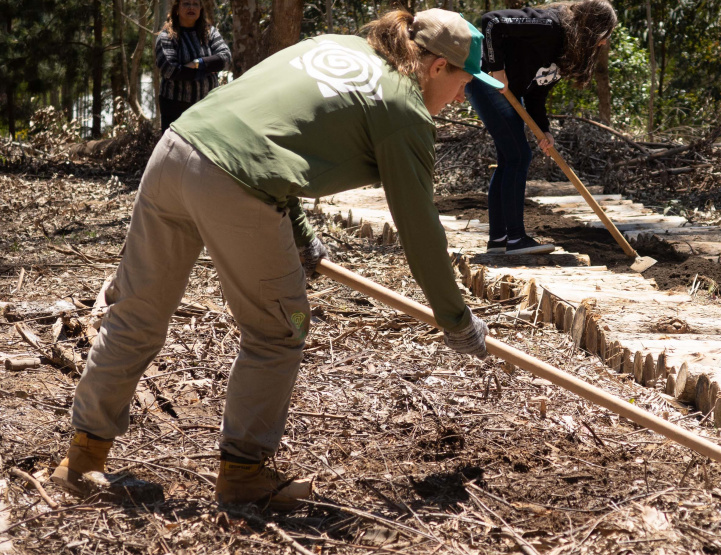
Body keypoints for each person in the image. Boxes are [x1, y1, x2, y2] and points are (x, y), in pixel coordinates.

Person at [52, 8, 501, 511]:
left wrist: (302, 234)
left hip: (177, 149)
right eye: (465, 83)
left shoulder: (338, 45)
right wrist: (455, 319)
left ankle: (81, 461)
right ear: (437, 66)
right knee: (276, 330)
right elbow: (420, 231)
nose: (464, 97)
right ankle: (244, 476)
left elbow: (266, 125)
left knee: (136, 313)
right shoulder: (404, 109)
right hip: (232, 183)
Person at [466, 0, 618, 255]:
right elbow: (492, 21)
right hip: (483, 78)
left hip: (505, 89)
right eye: (604, 35)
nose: (603, 43)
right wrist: (497, 69)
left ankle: (499, 240)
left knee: (509, 158)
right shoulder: (549, 25)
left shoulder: (566, 50)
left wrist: (543, 129)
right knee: (518, 155)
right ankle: (515, 239)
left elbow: (536, 92)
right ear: (592, 27)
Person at [155, 0, 232, 134]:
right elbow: (171, 70)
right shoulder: (166, 36)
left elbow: (225, 58)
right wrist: (209, 68)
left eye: (195, 4)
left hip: (207, 106)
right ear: (177, 8)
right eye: (186, 3)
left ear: (201, 8)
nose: (191, 7)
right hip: (176, 109)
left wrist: (198, 63)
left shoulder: (210, 33)